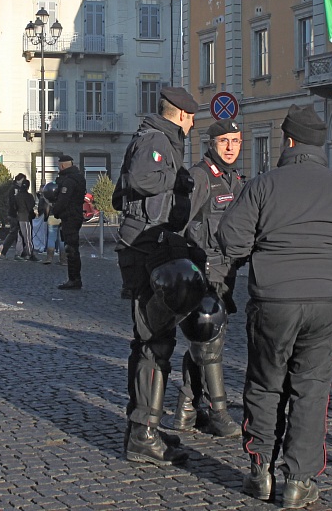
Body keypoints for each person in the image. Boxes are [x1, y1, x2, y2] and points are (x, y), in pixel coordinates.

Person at [218, 105, 332, 508]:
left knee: (264, 383)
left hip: (274, 299)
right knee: (311, 390)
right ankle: (299, 479)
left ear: (287, 141)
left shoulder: (263, 185)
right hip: (328, 301)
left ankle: (261, 471)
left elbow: (230, 240)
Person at [112, 85, 203, 466]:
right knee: (154, 344)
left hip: (151, 248)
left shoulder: (160, 139)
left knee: (152, 343)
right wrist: (176, 181)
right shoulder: (156, 140)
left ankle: (145, 424)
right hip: (145, 252)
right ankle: (142, 433)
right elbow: (138, 180)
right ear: (180, 114)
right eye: (192, 116)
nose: (195, 122)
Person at [173, 120, 245, 437]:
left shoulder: (235, 180)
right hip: (203, 272)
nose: (230, 147)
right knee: (210, 343)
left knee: (204, 341)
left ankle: (187, 410)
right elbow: (178, 224)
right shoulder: (200, 177)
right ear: (211, 143)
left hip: (226, 272)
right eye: (224, 141)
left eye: (236, 141)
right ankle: (218, 411)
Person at [54, 156, 86, 289]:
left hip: (70, 216)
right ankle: (74, 278)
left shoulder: (69, 181)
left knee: (71, 249)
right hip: (76, 215)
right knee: (72, 247)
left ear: (62, 166)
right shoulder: (79, 177)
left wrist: (55, 211)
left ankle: (74, 279)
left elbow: (63, 200)